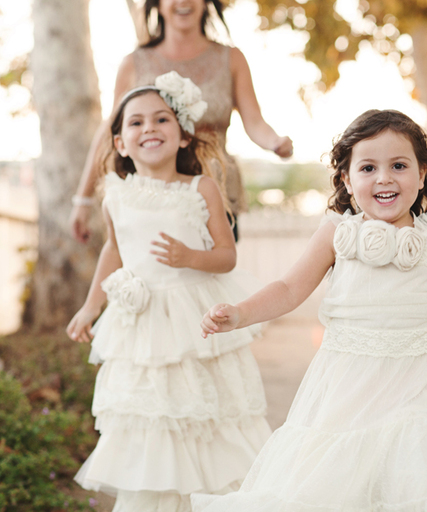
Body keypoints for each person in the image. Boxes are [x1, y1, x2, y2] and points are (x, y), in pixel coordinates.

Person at [191, 109, 427, 511]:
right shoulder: (336, 234)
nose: (384, 177)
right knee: (341, 483)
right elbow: (290, 288)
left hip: (417, 383)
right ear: (347, 179)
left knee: (413, 476)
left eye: (399, 165)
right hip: (346, 385)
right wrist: (240, 314)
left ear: (421, 175)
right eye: (368, 167)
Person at [66, 72, 272, 512]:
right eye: (136, 123)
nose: (149, 129)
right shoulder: (114, 196)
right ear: (120, 143)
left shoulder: (202, 188)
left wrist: (189, 257)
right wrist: (89, 307)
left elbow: (226, 256)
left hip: (191, 319)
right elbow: (114, 249)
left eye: (161, 119)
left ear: (182, 135)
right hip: (140, 325)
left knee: (204, 416)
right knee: (152, 420)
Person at [69, 0, 293, 243]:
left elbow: (254, 122)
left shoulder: (233, 59)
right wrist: (83, 199)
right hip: (152, 194)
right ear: (157, 4)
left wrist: (275, 143)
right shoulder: (134, 63)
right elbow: (110, 132)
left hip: (216, 193)